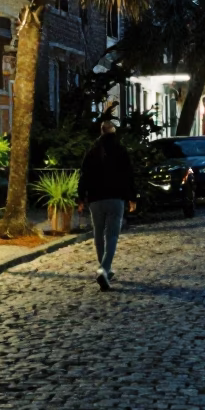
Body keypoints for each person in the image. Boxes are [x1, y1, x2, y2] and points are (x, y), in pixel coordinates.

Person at [77, 121, 137, 291]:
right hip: (115, 198)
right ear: (114, 132)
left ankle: (105, 268)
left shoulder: (92, 151)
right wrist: (132, 197)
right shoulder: (120, 150)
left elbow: (84, 176)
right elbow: (128, 175)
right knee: (112, 235)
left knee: (98, 234)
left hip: (95, 199)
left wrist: (81, 197)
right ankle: (104, 269)